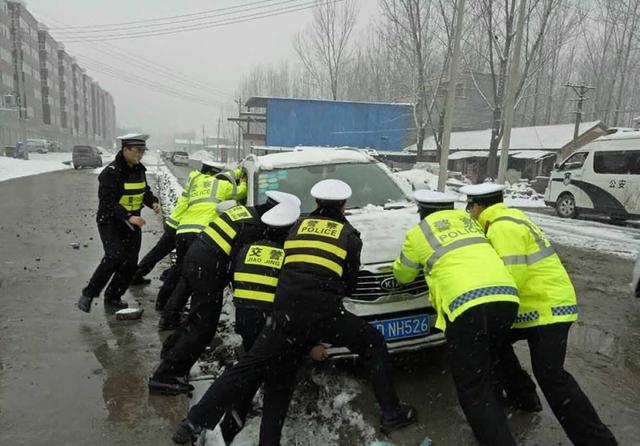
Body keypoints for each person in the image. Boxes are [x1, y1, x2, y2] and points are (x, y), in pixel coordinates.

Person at [172, 179, 415, 446]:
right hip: (325, 316)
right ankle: (392, 413)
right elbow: (350, 285)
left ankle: (195, 421)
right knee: (373, 343)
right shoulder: (349, 236)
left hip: (283, 316)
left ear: (317, 204)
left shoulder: (296, 227)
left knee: (248, 367)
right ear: (343, 206)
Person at [461, 183, 618, 446]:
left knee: (552, 377)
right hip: (536, 307)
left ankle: (598, 441)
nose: (469, 213)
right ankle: (523, 397)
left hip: (548, 309)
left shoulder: (502, 227)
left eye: (470, 207)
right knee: (494, 343)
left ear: (479, 207)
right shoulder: (511, 217)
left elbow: (511, 278)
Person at [393, 189, 520, 446]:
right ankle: (521, 400)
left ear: (421, 211)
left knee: (472, 388)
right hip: (506, 299)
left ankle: (497, 438)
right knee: (490, 358)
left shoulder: (419, 232)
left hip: (466, 306)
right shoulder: (470, 223)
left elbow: (403, 275)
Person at [149, 191, 300, 394]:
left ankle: (171, 353)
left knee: (197, 317)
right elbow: (240, 265)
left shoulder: (248, 213)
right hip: (207, 268)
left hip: (198, 258)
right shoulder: (254, 228)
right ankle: (166, 376)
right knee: (204, 326)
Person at [78, 133, 160, 312]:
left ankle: (113, 296)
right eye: (137, 151)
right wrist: (129, 216)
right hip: (110, 222)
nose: (140, 155)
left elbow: (144, 190)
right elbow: (108, 202)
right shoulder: (111, 173)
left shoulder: (139, 170)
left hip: (132, 224)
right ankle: (88, 294)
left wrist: (152, 201)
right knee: (114, 257)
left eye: (142, 152)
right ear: (125, 150)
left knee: (130, 264)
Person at [155, 164, 247, 315]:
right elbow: (242, 191)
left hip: (183, 231)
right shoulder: (225, 187)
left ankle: (163, 302)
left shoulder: (202, 182)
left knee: (180, 269)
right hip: (199, 234)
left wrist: (237, 171)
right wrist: (243, 179)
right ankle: (182, 313)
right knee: (196, 276)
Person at [128, 168, 196, 289]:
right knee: (186, 258)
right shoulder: (216, 190)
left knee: (158, 252)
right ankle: (168, 276)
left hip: (174, 224)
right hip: (185, 228)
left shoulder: (196, 183)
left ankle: (136, 275)